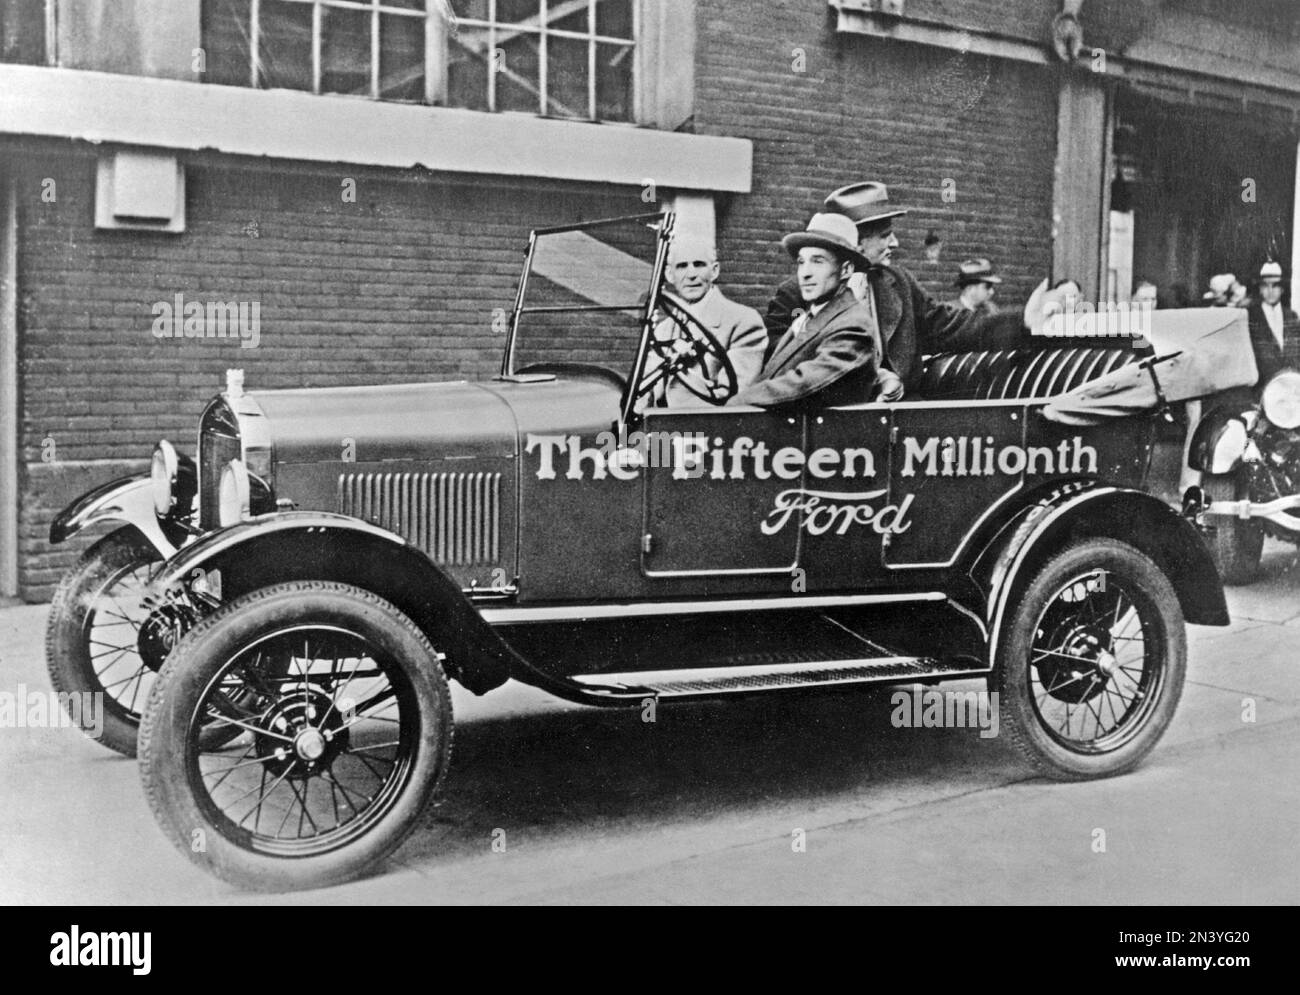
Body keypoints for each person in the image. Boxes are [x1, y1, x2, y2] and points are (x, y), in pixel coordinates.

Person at [764, 182, 1043, 399]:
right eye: (885, 235)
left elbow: (949, 326)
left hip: (904, 420)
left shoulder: (898, 283)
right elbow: (783, 368)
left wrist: (1023, 322)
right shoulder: (795, 295)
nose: (895, 243)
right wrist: (873, 379)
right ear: (855, 242)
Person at [732, 213, 891, 407]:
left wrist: (737, 404)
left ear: (846, 270)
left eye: (818, 261)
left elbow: (804, 383)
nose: (805, 273)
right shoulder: (812, 317)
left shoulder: (853, 324)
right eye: (801, 262)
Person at [642, 235, 767, 406]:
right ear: (669, 275)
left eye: (699, 265)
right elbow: (645, 390)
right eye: (682, 266)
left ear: (714, 271)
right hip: (659, 428)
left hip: (705, 428)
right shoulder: (663, 331)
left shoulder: (743, 321)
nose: (691, 274)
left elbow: (732, 399)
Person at [1245, 260, 1300, 383]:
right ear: (1259, 289)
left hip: (1291, 385)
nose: (1270, 290)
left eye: (1275, 285)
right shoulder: (1250, 317)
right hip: (1263, 387)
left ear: (1282, 289)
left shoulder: (1292, 316)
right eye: (1265, 285)